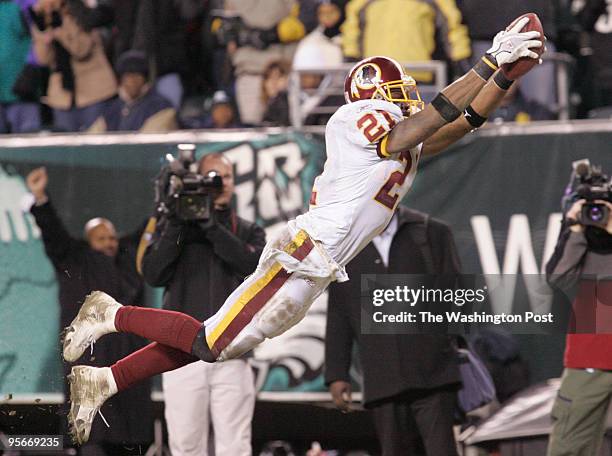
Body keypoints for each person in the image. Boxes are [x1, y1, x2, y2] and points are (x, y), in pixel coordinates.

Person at [61, 15, 544, 445]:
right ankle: (110, 313)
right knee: (210, 341)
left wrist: (500, 77)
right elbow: (413, 129)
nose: (406, 100)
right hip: (303, 254)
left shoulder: (405, 139)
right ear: (372, 96)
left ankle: (104, 381)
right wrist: (485, 63)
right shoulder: (355, 118)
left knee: (219, 345)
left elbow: (460, 124)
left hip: (318, 267)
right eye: (396, 92)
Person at [141, 153, 266, 456]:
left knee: (235, 446)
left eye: (227, 176)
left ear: (235, 183)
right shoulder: (178, 228)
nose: (220, 183)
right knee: (185, 445)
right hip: (181, 353)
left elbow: (253, 265)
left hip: (232, 351)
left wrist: (211, 227)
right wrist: (174, 223)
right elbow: (153, 273)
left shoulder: (248, 230)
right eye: (212, 176)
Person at [25, 167, 153, 455]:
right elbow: (54, 234)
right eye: (100, 239)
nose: (108, 244)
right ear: (87, 242)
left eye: (112, 238)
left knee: (129, 441)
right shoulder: (75, 260)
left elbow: (149, 230)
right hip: (89, 365)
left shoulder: (129, 264)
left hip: (128, 364)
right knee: (92, 440)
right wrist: (40, 198)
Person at [325, 207, 462, 456]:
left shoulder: (432, 232)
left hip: (434, 372)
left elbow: (457, 299)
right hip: (382, 378)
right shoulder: (344, 249)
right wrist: (336, 373)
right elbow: (339, 312)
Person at [546, 196, 612, 456]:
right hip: (590, 356)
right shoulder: (587, 237)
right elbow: (558, 278)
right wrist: (574, 228)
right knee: (570, 446)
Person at [29, 0, 117, 132]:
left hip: (94, 90)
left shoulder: (80, 11)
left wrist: (61, 30)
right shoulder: (45, 18)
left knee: (95, 143)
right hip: (62, 95)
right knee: (66, 146)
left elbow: (82, 49)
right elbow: (43, 60)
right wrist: (44, 36)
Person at [88, 50, 178, 133]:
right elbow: (93, 137)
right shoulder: (112, 109)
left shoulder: (161, 106)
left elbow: (149, 141)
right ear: (121, 79)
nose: (132, 81)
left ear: (145, 79)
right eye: (128, 76)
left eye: (137, 76)